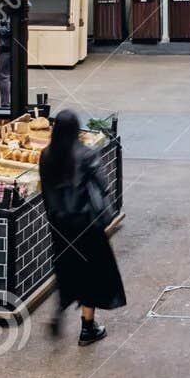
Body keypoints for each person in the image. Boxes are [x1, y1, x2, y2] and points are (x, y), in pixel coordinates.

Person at [39, 110, 126, 345]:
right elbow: (103, 184)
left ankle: (59, 311)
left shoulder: (46, 155)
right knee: (92, 274)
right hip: (87, 225)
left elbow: (46, 192)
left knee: (66, 269)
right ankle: (88, 328)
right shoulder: (86, 154)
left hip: (60, 225)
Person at [0, 12, 13, 110]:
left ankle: (5, 105)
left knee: (2, 77)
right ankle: (9, 103)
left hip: (6, 50)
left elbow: (8, 30)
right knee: (7, 76)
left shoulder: (13, 14)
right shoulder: (9, 14)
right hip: (7, 50)